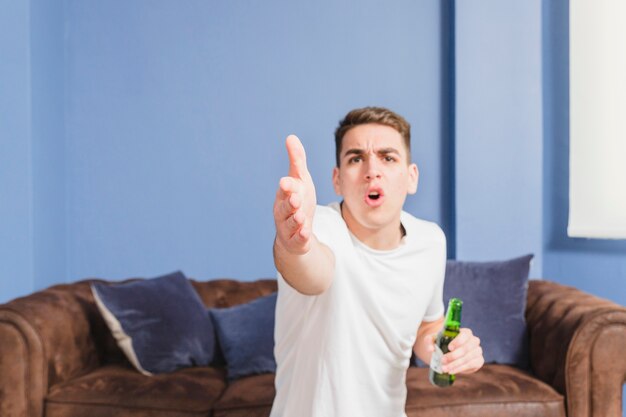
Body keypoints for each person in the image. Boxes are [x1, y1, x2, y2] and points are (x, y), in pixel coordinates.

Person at [270, 107, 484, 417]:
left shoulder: (431, 241)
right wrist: (294, 245)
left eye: (388, 157)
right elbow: (312, 271)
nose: (372, 170)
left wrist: (447, 347)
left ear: (411, 177)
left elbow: (427, 325)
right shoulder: (320, 227)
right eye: (356, 158)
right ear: (337, 180)